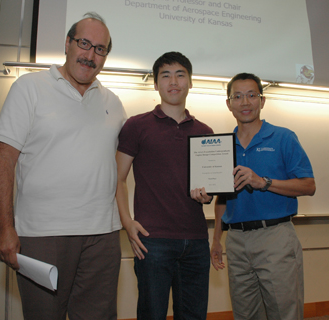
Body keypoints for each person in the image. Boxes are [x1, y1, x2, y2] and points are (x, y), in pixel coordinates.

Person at [0, 12, 126, 320]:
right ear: (67, 43)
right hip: (42, 235)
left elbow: (129, 165)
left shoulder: (114, 102)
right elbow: (4, 159)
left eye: (100, 49)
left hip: (103, 236)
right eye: (84, 43)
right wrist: (5, 228)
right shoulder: (29, 88)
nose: (90, 55)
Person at [210, 73, 316, 320]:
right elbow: (222, 198)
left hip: (275, 237)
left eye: (251, 95)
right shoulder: (223, 146)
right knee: (245, 315)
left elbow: (309, 185)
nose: (245, 102)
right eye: (237, 96)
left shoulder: (283, 138)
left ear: (262, 100)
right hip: (236, 240)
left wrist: (264, 182)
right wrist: (216, 239)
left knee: (284, 313)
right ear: (229, 104)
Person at [116, 51, 213, 320]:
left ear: (190, 82)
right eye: (166, 75)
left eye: (180, 74)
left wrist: (207, 195)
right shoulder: (136, 126)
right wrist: (127, 221)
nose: (173, 81)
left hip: (196, 241)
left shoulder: (205, 132)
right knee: (152, 314)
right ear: (156, 83)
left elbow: (209, 186)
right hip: (152, 240)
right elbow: (118, 178)